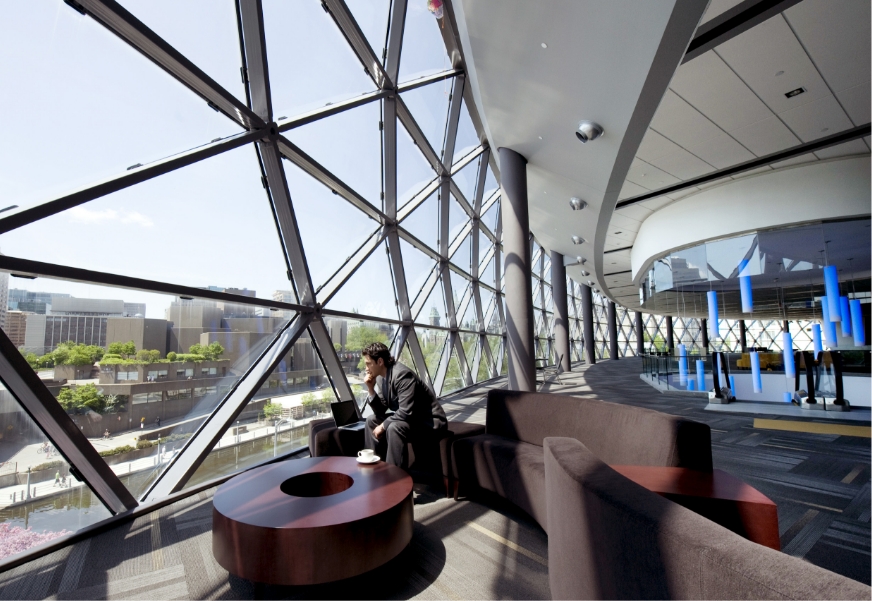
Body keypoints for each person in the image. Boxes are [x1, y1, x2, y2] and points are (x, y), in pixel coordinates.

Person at [362, 342, 447, 468]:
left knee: (394, 427)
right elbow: (380, 410)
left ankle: (394, 477)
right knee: (371, 420)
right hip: (412, 419)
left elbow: (406, 412)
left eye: (368, 363)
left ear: (380, 361)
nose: (366, 368)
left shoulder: (402, 375)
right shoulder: (380, 378)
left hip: (428, 421)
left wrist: (383, 425)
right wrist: (370, 389)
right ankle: (374, 466)